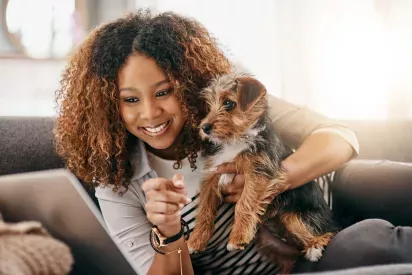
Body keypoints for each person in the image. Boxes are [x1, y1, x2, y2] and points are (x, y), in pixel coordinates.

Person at [53, 10, 412, 275]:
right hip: (297, 263)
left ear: (188, 82)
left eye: (164, 92)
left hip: (324, 207)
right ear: (107, 106)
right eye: (130, 99)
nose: (150, 113)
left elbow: (339, 137)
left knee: (387, 191)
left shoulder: (227, 104)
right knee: (373, 240)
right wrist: (169, 231)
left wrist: (272, 180)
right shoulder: (119, 183)